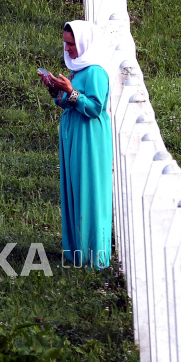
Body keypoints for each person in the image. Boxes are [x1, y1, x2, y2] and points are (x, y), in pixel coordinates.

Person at [38, 21, 113, 269]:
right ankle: (77, 251)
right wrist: (55, 90)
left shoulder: (96, 72)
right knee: (74, 187)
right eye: (65, 43)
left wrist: (72, 92)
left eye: (71, 44)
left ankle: (94, 255)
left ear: (84, 43)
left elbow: (95, 107)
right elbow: (69, 102)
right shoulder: (77, 71)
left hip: (90, 139)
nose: (67, 48)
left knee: (89, 188)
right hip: (74, 137)